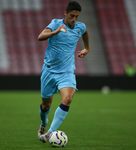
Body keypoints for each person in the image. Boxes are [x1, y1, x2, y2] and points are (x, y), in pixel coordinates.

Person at [37, 1, 89, 143]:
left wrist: (86, 49)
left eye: (76, 17)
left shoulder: (80, 27)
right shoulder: (55, 23)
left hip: (67, 72)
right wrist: (55, 32)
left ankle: (50, 133)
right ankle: (43, 123)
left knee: (67, 99)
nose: (74, 20)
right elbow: (40, 36)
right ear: (65, 13)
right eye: (71, 16)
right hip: (49, 71)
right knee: (46, 105)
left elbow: (85, 33)